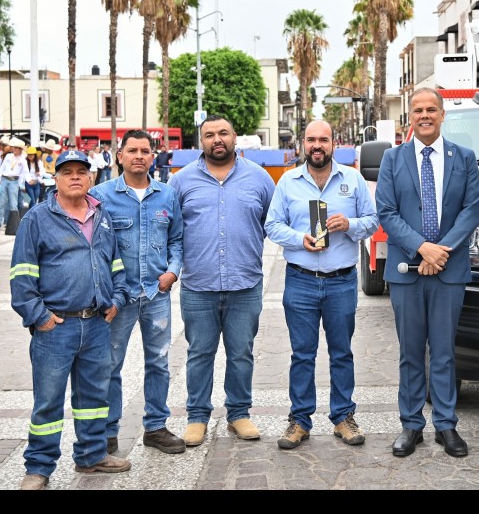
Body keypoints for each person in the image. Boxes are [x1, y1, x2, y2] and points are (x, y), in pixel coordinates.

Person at [9, 148, 132, 490]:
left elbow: (115, 263)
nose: (75, 177)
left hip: (96, 324)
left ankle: (92, 455)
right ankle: (38, 467)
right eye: (67, 172)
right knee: (48, 402)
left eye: (81, 171)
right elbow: (21, 275)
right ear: (57, 178)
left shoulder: (101, 215)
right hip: (56, 328)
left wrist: (118, 299)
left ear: (91, 177)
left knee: (94, 397)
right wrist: (40, 317)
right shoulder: (37, 219)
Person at [375, 87, 479, 458]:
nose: (424, 115)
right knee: (410, 352)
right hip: (406, 271)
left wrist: (441, 252)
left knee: (444, 351)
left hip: (448, 272)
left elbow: (471, 210)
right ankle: (411, 425)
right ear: (410, 116)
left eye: (431, 109)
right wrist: (422, 248)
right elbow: (387, 212)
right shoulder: (392, 159)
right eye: (418, 110)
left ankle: (446, 425)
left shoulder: (464, 158)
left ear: (442, 114)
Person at [265, 120, 379, 450]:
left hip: (341, 282)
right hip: (300, 280)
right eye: (312, 139)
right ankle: (299, 421)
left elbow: (372, 221)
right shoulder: (288, 182)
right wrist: (298, 239)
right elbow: (272, 225)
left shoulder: (353, 180)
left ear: (333, 144)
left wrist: (350, 224)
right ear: (303, 143)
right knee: (302, 354)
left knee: (341, 353)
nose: (317, 145)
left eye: (323, 140)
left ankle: (343, 417)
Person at [169, 114, 276, 447]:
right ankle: (197, 417)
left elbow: (272, 221)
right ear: (200, 141)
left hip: (245, 283)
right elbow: (171, 230)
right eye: (210, 135)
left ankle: (238, 414)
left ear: (235, 137)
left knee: (241, 353)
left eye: (224, 133)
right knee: (199, 353)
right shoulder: (181, 181)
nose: (217, 139)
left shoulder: (259, 178)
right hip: (198, 286)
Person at [89, 130, 185, 456]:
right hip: (118, 298)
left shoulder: (167, 195)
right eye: (132, 150)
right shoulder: (101, 195)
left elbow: (177, 240)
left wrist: (173, 271)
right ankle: (107, 432)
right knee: (110, 364)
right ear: (120, 156)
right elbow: (93, 245)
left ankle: (156, 427)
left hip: (156, 294)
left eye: (145, 150)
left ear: (153, 156)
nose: (139, 156)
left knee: (158, 362)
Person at [0, 137, 28, 230]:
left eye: (16, 148)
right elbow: (2, 168)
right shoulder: (9, 156)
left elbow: (24, 173)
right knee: (1, 202)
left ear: (20, 149)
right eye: (14, 147)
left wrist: (22, 184)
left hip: (14, 181)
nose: (14, 149)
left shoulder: (23, 160)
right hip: (4, 179)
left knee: (13, 203)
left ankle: (12, 222)